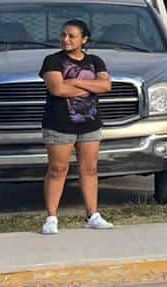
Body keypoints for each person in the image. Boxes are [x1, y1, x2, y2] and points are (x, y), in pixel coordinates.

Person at [38, 19, 114, 235]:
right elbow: (57, 89)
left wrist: (73, 82)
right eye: (63, 35)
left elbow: (106, 85)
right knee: (57, 169)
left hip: (90, 124)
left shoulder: (95, 61)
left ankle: (93, 214)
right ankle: (51, 218)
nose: (66, 39)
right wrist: (90, 88)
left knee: (89, 169)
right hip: (59, 124)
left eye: (71, 36)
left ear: (84, 39)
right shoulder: (52, 60)